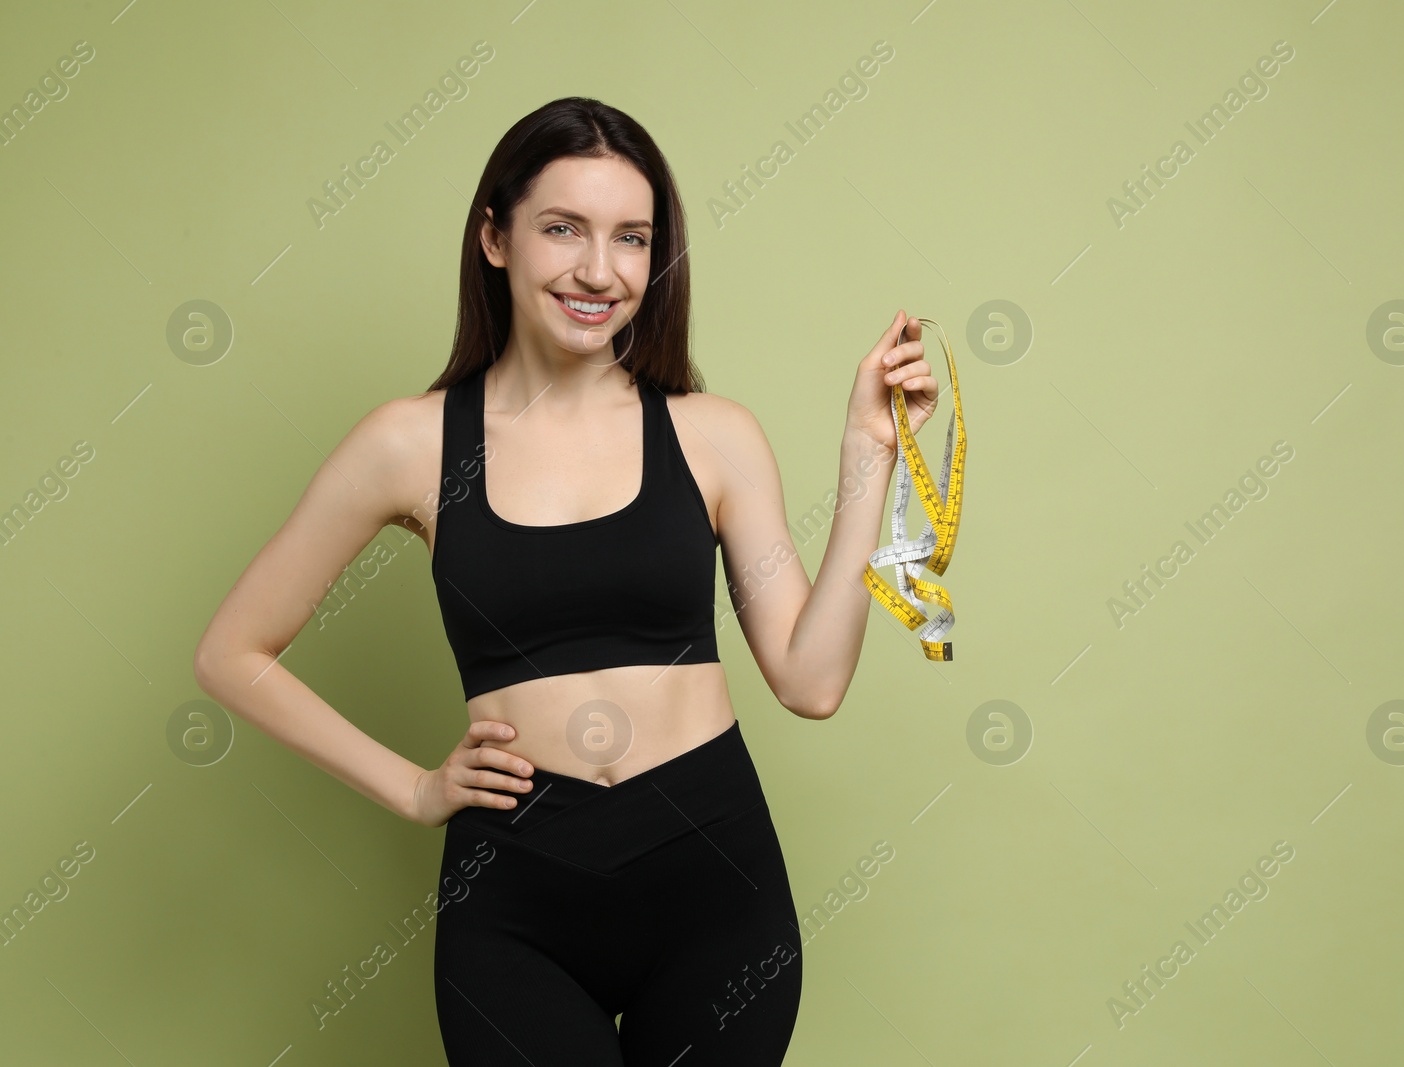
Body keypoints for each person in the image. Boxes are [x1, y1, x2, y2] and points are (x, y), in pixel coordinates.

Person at [192, 96, 941, 1065]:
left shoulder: (711, 435)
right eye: (563, 229)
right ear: (494, 237)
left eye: (631, 237)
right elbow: (229, 652)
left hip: (715, 892)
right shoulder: (409, 444)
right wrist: (417, 785)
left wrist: (865, 454)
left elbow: (811, 679)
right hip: (516, 903)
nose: (600, 269)